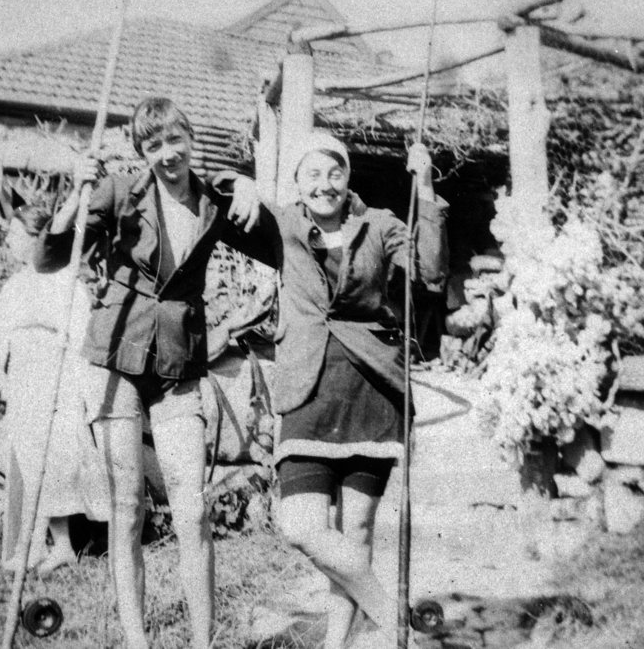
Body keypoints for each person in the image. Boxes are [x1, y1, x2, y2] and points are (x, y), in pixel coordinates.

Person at [33, 96, 261, 649]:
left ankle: (202, 642)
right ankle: (138, 642)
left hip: (179, 362)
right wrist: (74, 198)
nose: (167, 154)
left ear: (190, 139)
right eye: (153, 145)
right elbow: (48, 257)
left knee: (192, 508)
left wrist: (250, 184)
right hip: (116, 359)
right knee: (127, 507)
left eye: (175, 140)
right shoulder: (118, 192)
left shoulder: (212, 201)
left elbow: (266, 232)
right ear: (142, 152)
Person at [215, 133, 448, 647]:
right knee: (301, 527)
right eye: (313, 175)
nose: (325, 185)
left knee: (357, 533)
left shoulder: (381, 224)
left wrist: (426, 189)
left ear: (348, 178)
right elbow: (211, 197)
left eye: (334, 173)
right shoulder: (280, 225)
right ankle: (388, 610)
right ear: (298, 183)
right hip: (307, 390)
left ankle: (336, 645)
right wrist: (240, 182)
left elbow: (430, 275)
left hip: (371, 390)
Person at [0, 204, 110, 576]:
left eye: (15, 235)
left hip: (58, 379)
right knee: (31, 459)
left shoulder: (65, 282)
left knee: (59, 460)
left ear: (36, 238)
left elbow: (82, 337)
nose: (8, 241)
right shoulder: (14, 286)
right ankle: (37, 545)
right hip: (24, 381)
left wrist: (77, 382)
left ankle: (66, 544)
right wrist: (2, 378)